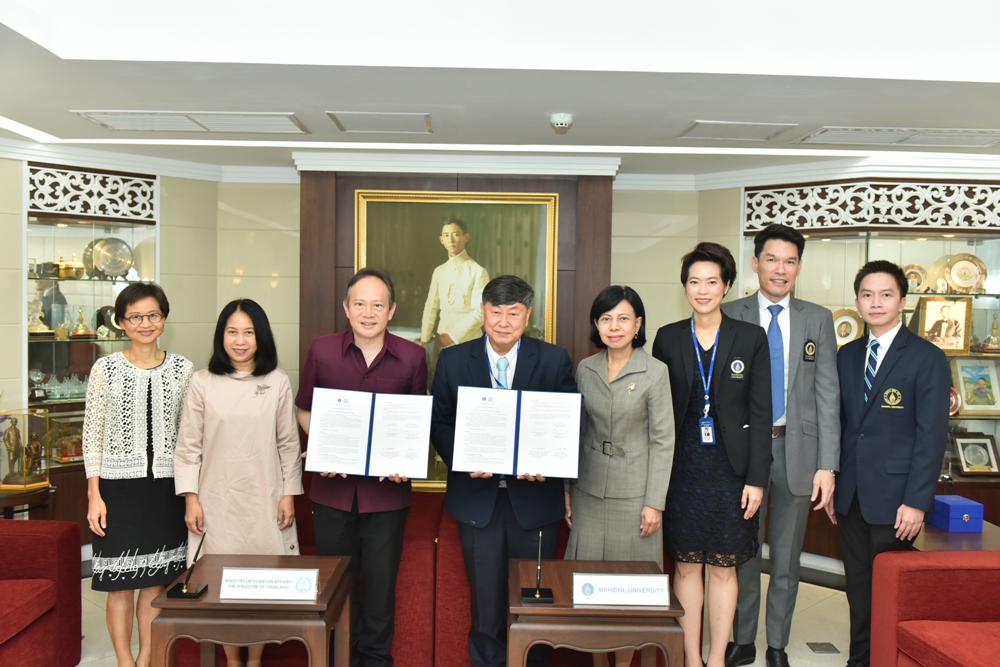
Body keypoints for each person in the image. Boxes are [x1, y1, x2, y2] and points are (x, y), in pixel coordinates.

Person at [431, 275, 577, 667]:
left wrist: (546, 462)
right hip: (478, 502)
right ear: (482, 312)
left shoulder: (553, 360)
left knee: (534, 600)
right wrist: (464, 457)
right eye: (496, 312)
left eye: (513, 313)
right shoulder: (453, 360)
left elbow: (567, 422)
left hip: (535, 502)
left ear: (527, 315)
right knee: (486, 602)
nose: (503, 322)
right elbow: (439, 422)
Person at [720, 224, 840, 667]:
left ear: (799, 267)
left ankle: (777, 645)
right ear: (756, 263)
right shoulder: (730, 313)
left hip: (797, 452)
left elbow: (828, 394)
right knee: (744, 552)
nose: (780, 269)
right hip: (744, 454)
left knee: (787, 558)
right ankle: (743, 639)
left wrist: (828, 464)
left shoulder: (817, 318)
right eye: (772, 259)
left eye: (790, 261)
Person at [295, 268, 427, 667]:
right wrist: (324, 446)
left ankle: (375, 659)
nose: (368, 313)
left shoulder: (413, 356)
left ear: (391, 311)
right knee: (337, 583)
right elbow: (304, 409)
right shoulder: (322, 350)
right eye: (360, 304)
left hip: (387, 495)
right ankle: (340, 658)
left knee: (381, 586)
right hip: (332, 492)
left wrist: (405, 459)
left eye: (377, 305)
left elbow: (415, 421)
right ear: (346, 308)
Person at [651, 243, 772, 667]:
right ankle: (690, 657)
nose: (702, 290)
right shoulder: (668, 337)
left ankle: (717, 658)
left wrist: (756, 479)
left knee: (723, 567)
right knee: (686, 566)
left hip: (731, 472)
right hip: (682, 470)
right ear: (684, 286)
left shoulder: (750, 338)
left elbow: (761, 413)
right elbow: (659, 411)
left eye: (711, 282)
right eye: (694, 282)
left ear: (727, 286)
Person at [830, 260, 950, 667]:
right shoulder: (847, 355)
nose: (876, 302)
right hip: (851, 496)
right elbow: (842, 426)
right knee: (858, 588)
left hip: (897, 500)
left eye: (886, 295)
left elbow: (931, 435)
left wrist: (916, 501)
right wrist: (834, 482)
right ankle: (859, 660)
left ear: (902, 301)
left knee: (890, 593)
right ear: (857, 302)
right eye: (867, 295)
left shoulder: (926, 357)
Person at [175, 298, 303, 667]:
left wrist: (289, 495)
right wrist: (191, 499)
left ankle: (256, 659)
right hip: (216, 501)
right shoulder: (202, 382)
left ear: (261, 337)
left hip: (265, 499)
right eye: (232, 332)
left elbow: (288, 443)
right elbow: (188, 447)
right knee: (220, 583)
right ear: (221, 336)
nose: (240, 340)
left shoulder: (277, 381)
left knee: (263, 581)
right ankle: (232, 660)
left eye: (249, 332)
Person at [82, 282, 193, 667]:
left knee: (154, 580)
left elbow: (191, 433)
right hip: (116, 490)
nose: (145, 324)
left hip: (166, 489)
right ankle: (124, 661)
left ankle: (147, 657)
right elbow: (92, 434)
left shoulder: (183, 369)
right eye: (135, 317)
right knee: (119, 585)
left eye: (153, 315)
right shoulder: (105, 369)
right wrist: (94, 495)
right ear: (121, 322)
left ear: (164, 318)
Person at [565, 285, 674, 667]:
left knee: (630, 596)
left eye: (623, 318)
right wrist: (566, 489)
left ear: (638, 324)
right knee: (591, 591)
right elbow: (576, 432)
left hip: (635, 497)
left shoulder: (655, 372)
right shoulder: (585, 368)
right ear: (596, 324)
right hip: (589, 491)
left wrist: (654, 503)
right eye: (606, 319)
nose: (615, 326)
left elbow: (664, 441)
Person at [420, 217, 490, 347]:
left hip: (468, 342)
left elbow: (481, 311)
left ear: (466, 237)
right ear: (441, 240)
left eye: (456, 234)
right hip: (442, 343)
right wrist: (424, 339)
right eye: (446, 235)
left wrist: (452, 336)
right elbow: (431, 307)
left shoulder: (478, 272)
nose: (451, 240)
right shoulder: (439, 271)